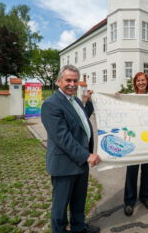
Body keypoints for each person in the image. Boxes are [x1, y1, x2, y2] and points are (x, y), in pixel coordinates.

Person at [41, 65, 101, 233]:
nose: (72, 84)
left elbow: (80, 120)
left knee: (79, 200)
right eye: (68, 80)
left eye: (75, 80)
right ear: (59, 81)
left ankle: (78, 227)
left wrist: (90, 101)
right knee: (60, 207)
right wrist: (86, 155)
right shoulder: (51, 104)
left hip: (80, 162)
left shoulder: (75, 101)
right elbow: (62, 138)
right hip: (64, 164)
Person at [122, 72, 148, 216]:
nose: (141, 82)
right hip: (134, 141)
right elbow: (121, 111)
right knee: (131, 172)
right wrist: (116, 99)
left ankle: (145, 197)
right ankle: (129, 201)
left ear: (147, 82)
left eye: (143, 80)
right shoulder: (129, 98)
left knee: (146, 171)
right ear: (135, 83)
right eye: (138, 80)